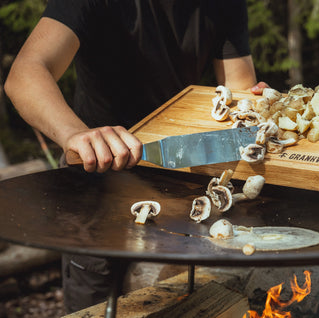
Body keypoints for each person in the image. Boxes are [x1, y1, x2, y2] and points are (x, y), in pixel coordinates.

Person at [4, 0, 268, 313]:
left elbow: (238, 90)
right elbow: (25, 74)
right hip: (97, 181)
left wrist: (254, 105)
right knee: (95, 306)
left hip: (180, 182)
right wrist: (76, 134)